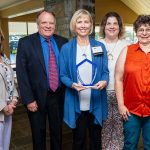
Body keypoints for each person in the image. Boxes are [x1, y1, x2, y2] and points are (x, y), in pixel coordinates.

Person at [16, 9, 68, 150]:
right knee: (38, 134)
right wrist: (28, 99)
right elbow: (22, 74)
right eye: (44, 22)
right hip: (35, 98)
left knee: (57, 133)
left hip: (58, 96)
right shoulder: (25, 43)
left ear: (55, 25)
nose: (48, 25)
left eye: (51, 22)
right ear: (38, 24)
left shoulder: (63, 42)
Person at [59, 9, 109, 150]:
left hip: (96, 101)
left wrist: (104, 81)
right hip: (77, 102)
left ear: (91, 25)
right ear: (74, 25)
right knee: (78, 141)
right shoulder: (67, 48)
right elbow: (62, 75)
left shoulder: (99, 46)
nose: (83, 25)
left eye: (86, 21)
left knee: (96, 141)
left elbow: (105, 72)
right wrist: (72, 84)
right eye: (79, 21)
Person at [115, 15, 150, 150]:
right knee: (130, 145)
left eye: (148, 29)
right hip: (130, 110)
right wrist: (121, 105)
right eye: (141, 29)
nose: (145, 33)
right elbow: (118, 79)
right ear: (136, 31)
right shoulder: (127, 51)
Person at [99, 12, 129, 149]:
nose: (112, 26)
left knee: (119, 126)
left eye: (115, 23)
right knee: (104, 126)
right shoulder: (96, 44)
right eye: (108, 23)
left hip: (121, 93)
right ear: (104, 26)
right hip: (100, 93)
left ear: (120, 26)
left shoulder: (127, 45)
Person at [0, 27, 18, 150]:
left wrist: (14, 100)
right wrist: (3, 106)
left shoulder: (4, 57)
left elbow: (11, 81)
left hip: (8, 109)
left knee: (5, 145)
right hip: (2, 108)